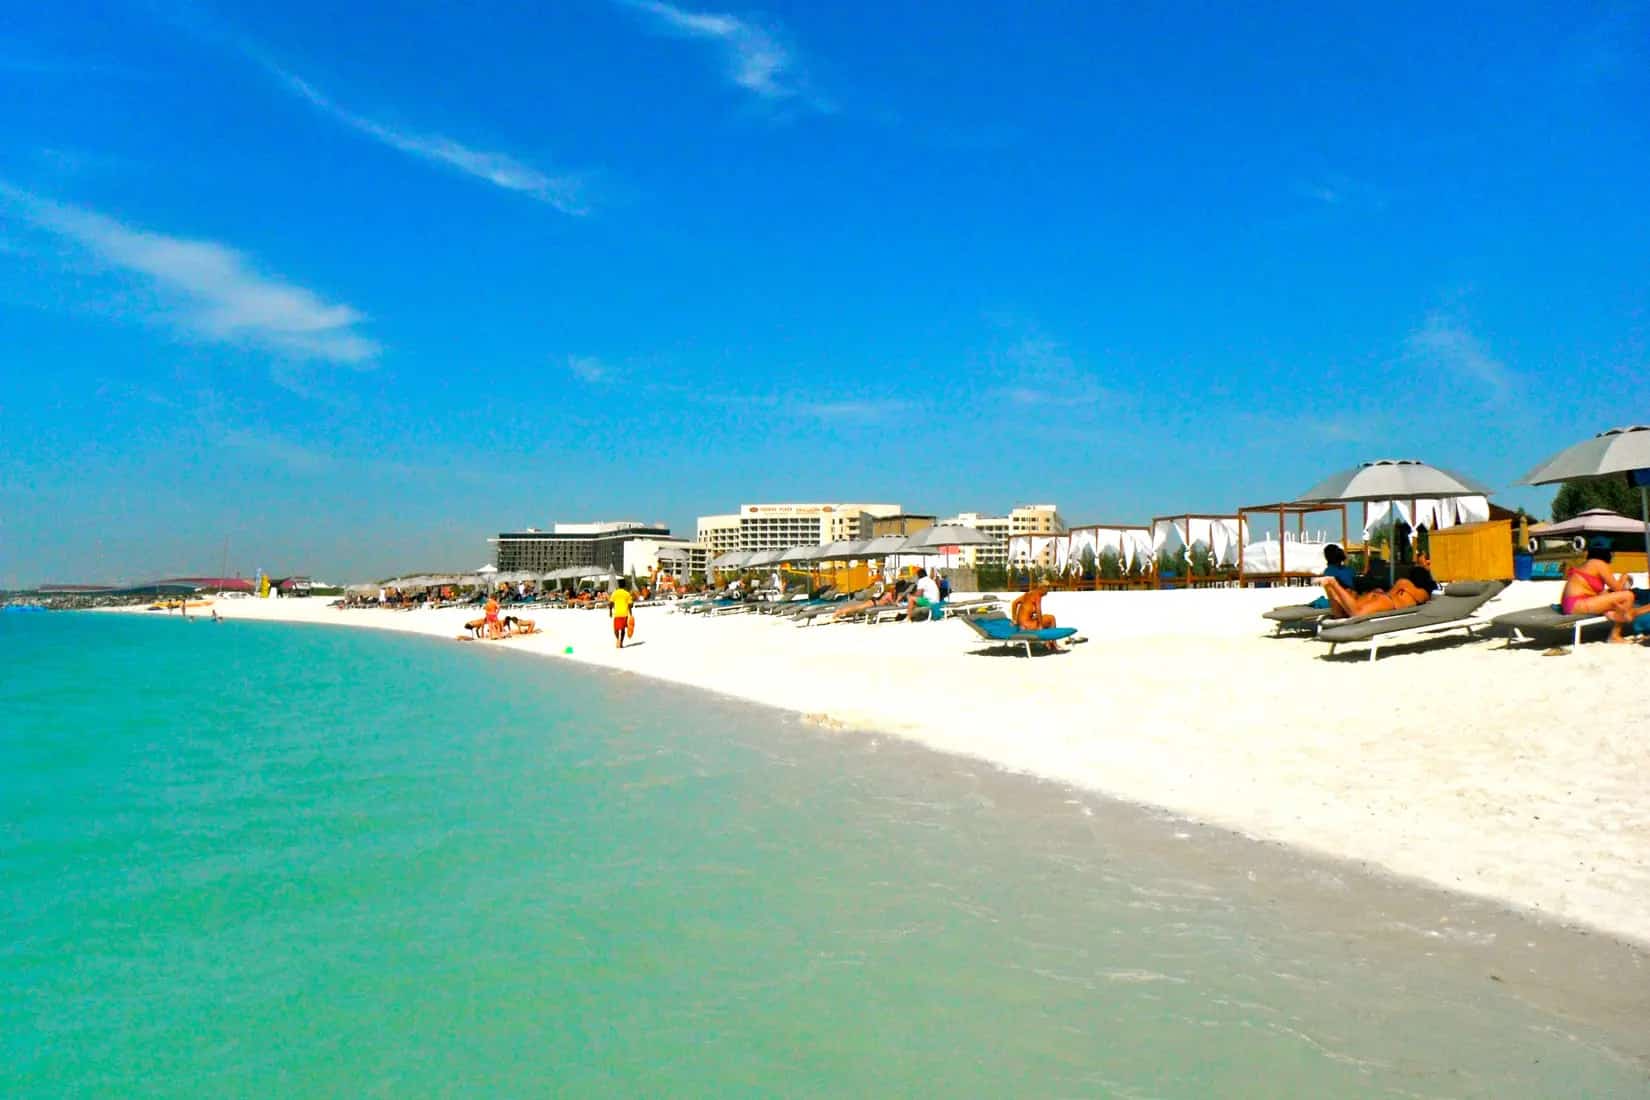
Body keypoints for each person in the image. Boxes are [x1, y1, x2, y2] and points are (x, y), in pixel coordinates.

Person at [1561, 540, 1641, 643]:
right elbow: (1618, 588)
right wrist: (1624, 576)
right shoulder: (1599, 564)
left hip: (1572, 603)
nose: (1613, 555)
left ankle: (1613, 615)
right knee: (1628, 596)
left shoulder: (1590, 563)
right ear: (1606, 553)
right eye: (1612, 553)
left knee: (1614, 595)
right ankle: (1615, 635)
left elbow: (1605, 591)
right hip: (1577, 604)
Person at [1316, 554, 1437, 619]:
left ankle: (1330, 588)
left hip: (1381, 596)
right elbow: (1419, 598)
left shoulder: (1404, 583)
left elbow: (1392, 590)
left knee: (1340, 615)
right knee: (1356, 614)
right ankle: (1333, 584)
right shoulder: (1422, 591)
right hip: (1388, 602)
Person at [1309, 544, 1355, 609]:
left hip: (1341, 602)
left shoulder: (1329, 571)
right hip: (1353, 598)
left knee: (1321, 602)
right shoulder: (1350, 570)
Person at [611, 579, 635, 649]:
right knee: (623, 629)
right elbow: (630, 605)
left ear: (618, 585)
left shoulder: (615, 593)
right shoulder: (627, 593)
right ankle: (621, 642)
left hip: (617, 614)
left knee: (616, 629)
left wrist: (610, 611)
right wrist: (631, 614)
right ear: (624, 585)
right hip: (625, 614)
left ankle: (617, 639)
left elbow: (611, 603)